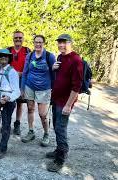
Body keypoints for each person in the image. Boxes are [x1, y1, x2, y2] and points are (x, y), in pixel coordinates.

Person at [46, 34, 83, 172]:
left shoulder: (76, 60)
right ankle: (58, 150)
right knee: (56, 126)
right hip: (56, 99)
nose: (61, 45)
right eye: (59, 43)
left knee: (61, 129)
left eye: (64, 43)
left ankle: (60, 160)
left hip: (65, 102)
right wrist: (54, 69)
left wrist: (68, 105)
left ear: (70, 43)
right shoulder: (60, 57)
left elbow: (76, 86)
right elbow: (60, 77)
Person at [21, 35, 56, 146]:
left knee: (42, 114)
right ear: (34, 43)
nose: (38, 44)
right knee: (30, 109)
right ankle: (31, 131)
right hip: (29, 86)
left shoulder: (49, 56)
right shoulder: (30, 55)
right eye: (36, 42)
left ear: (43, 43)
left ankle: (46, 134)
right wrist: (22, 88)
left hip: (44, 89)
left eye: (40, 42)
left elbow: (54, 74)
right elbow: (25, 72)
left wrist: (53, 89)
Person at [7, 30, 31, 135]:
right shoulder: (8, 50)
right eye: (16, 37)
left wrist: (22, 74)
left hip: (22, 80)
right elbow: (3, 63)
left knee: (20, 103)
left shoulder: (27, 51)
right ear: (13, 39)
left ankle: (17, 123)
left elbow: (31, 66)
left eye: (20, 37)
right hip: (9, 80)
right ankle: (6, 123)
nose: (18, 39)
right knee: (8, 101)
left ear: (23, 39)